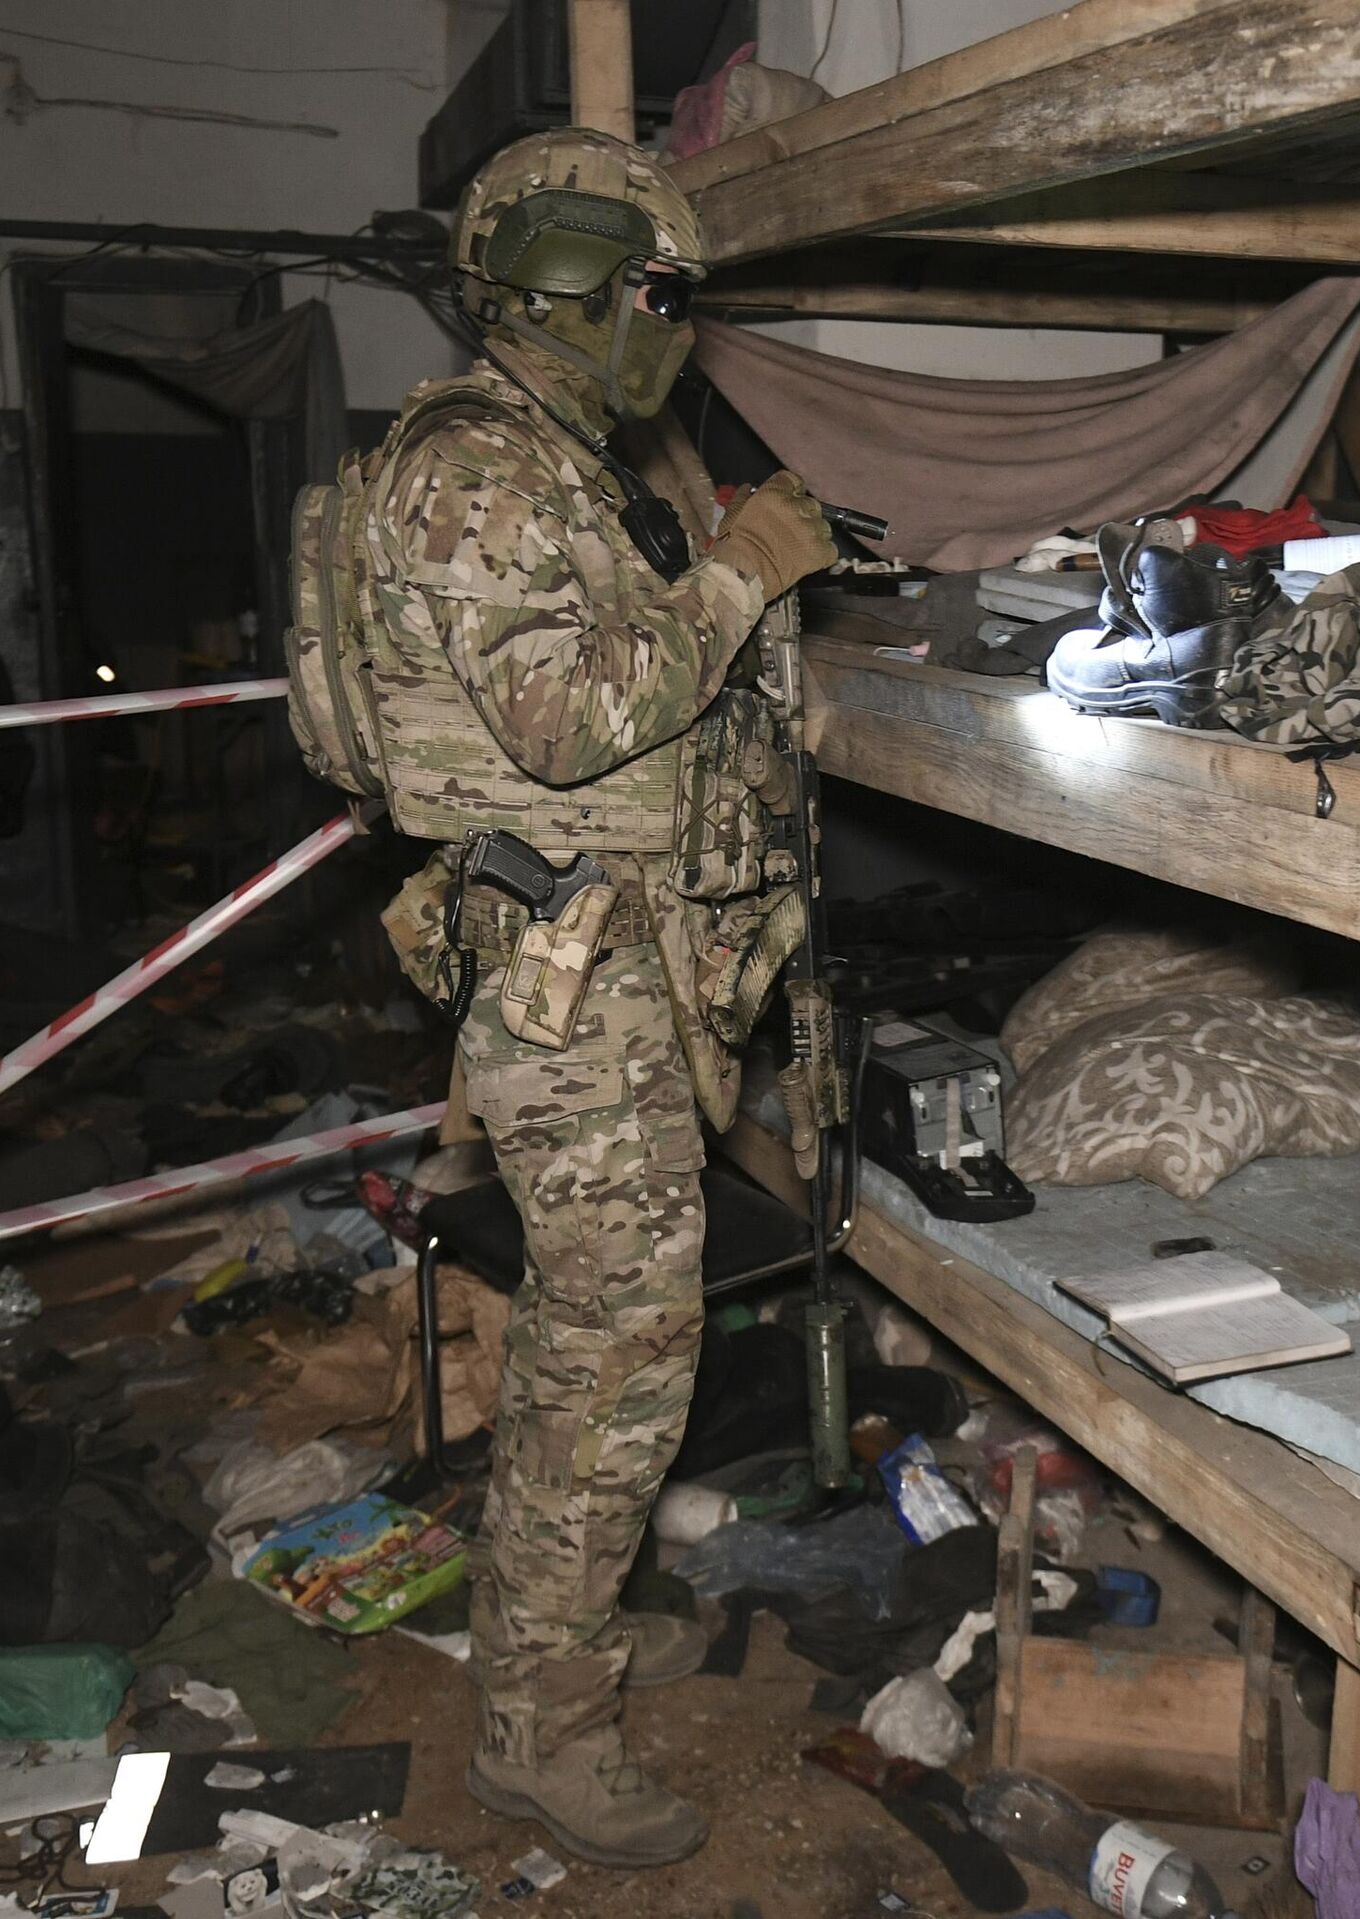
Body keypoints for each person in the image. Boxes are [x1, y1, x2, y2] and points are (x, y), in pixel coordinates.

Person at [357, 127, 837, 1867]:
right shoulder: (477, 469)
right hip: (566, 980)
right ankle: (541, 1735)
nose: (672, 323)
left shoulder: (562, 459)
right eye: (655, 289)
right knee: (612, 1343)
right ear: (563, 281)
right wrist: (747, 566)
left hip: (617, 960)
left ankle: (563, 1632)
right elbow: (571, 723)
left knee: (614, 1335)